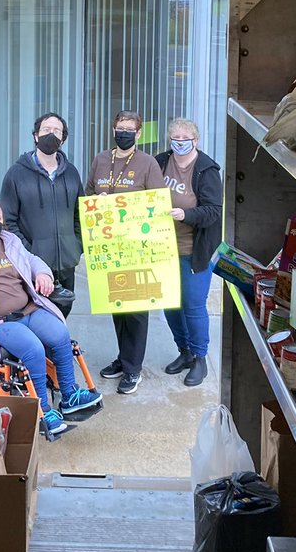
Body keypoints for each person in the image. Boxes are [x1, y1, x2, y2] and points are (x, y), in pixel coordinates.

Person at [0, 195, 102, 436]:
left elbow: (31, 260)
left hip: (28, 309)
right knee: (34, 350)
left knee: (60, 334)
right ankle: (41, 409)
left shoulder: (9, 241)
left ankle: (70, 395)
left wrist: (43, 274)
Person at [85, 109, 167, 395]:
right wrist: (98, 200)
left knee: (135, 311)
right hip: (108, 249)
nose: (124, 133)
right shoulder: (100, 160)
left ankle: (134, 369)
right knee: (117, 307)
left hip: (136, 249)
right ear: (113, 130)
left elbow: (157, 204)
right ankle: (123, 359)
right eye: (120, 128)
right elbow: (88, 196)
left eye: (129, 129)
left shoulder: (148, 164)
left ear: (139, 133)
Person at [156, 118, 223, 387]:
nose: (179, 141)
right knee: (170, 305)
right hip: (161, 249)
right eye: (175, 137)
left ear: (195, 141)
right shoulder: (160, 162)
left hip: (191, 250)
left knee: (194, 305)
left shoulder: (206, 170)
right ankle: (183, 351)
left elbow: (213, 211)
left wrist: (186, 214)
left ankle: (200, 359)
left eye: (185, 137)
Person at [0, 112, 84, 317]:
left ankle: (59, 349)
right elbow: (8, 221)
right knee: (37, 317)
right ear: (36, 135)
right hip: (33, 265)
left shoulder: (71, 173)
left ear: (63, 139)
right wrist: (28, 253)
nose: (51, 135)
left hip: (66, 263)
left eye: (57, 131)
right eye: (46, 130)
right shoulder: (16, 174)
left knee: (63, 313)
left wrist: (76, 245)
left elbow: (79, 215)